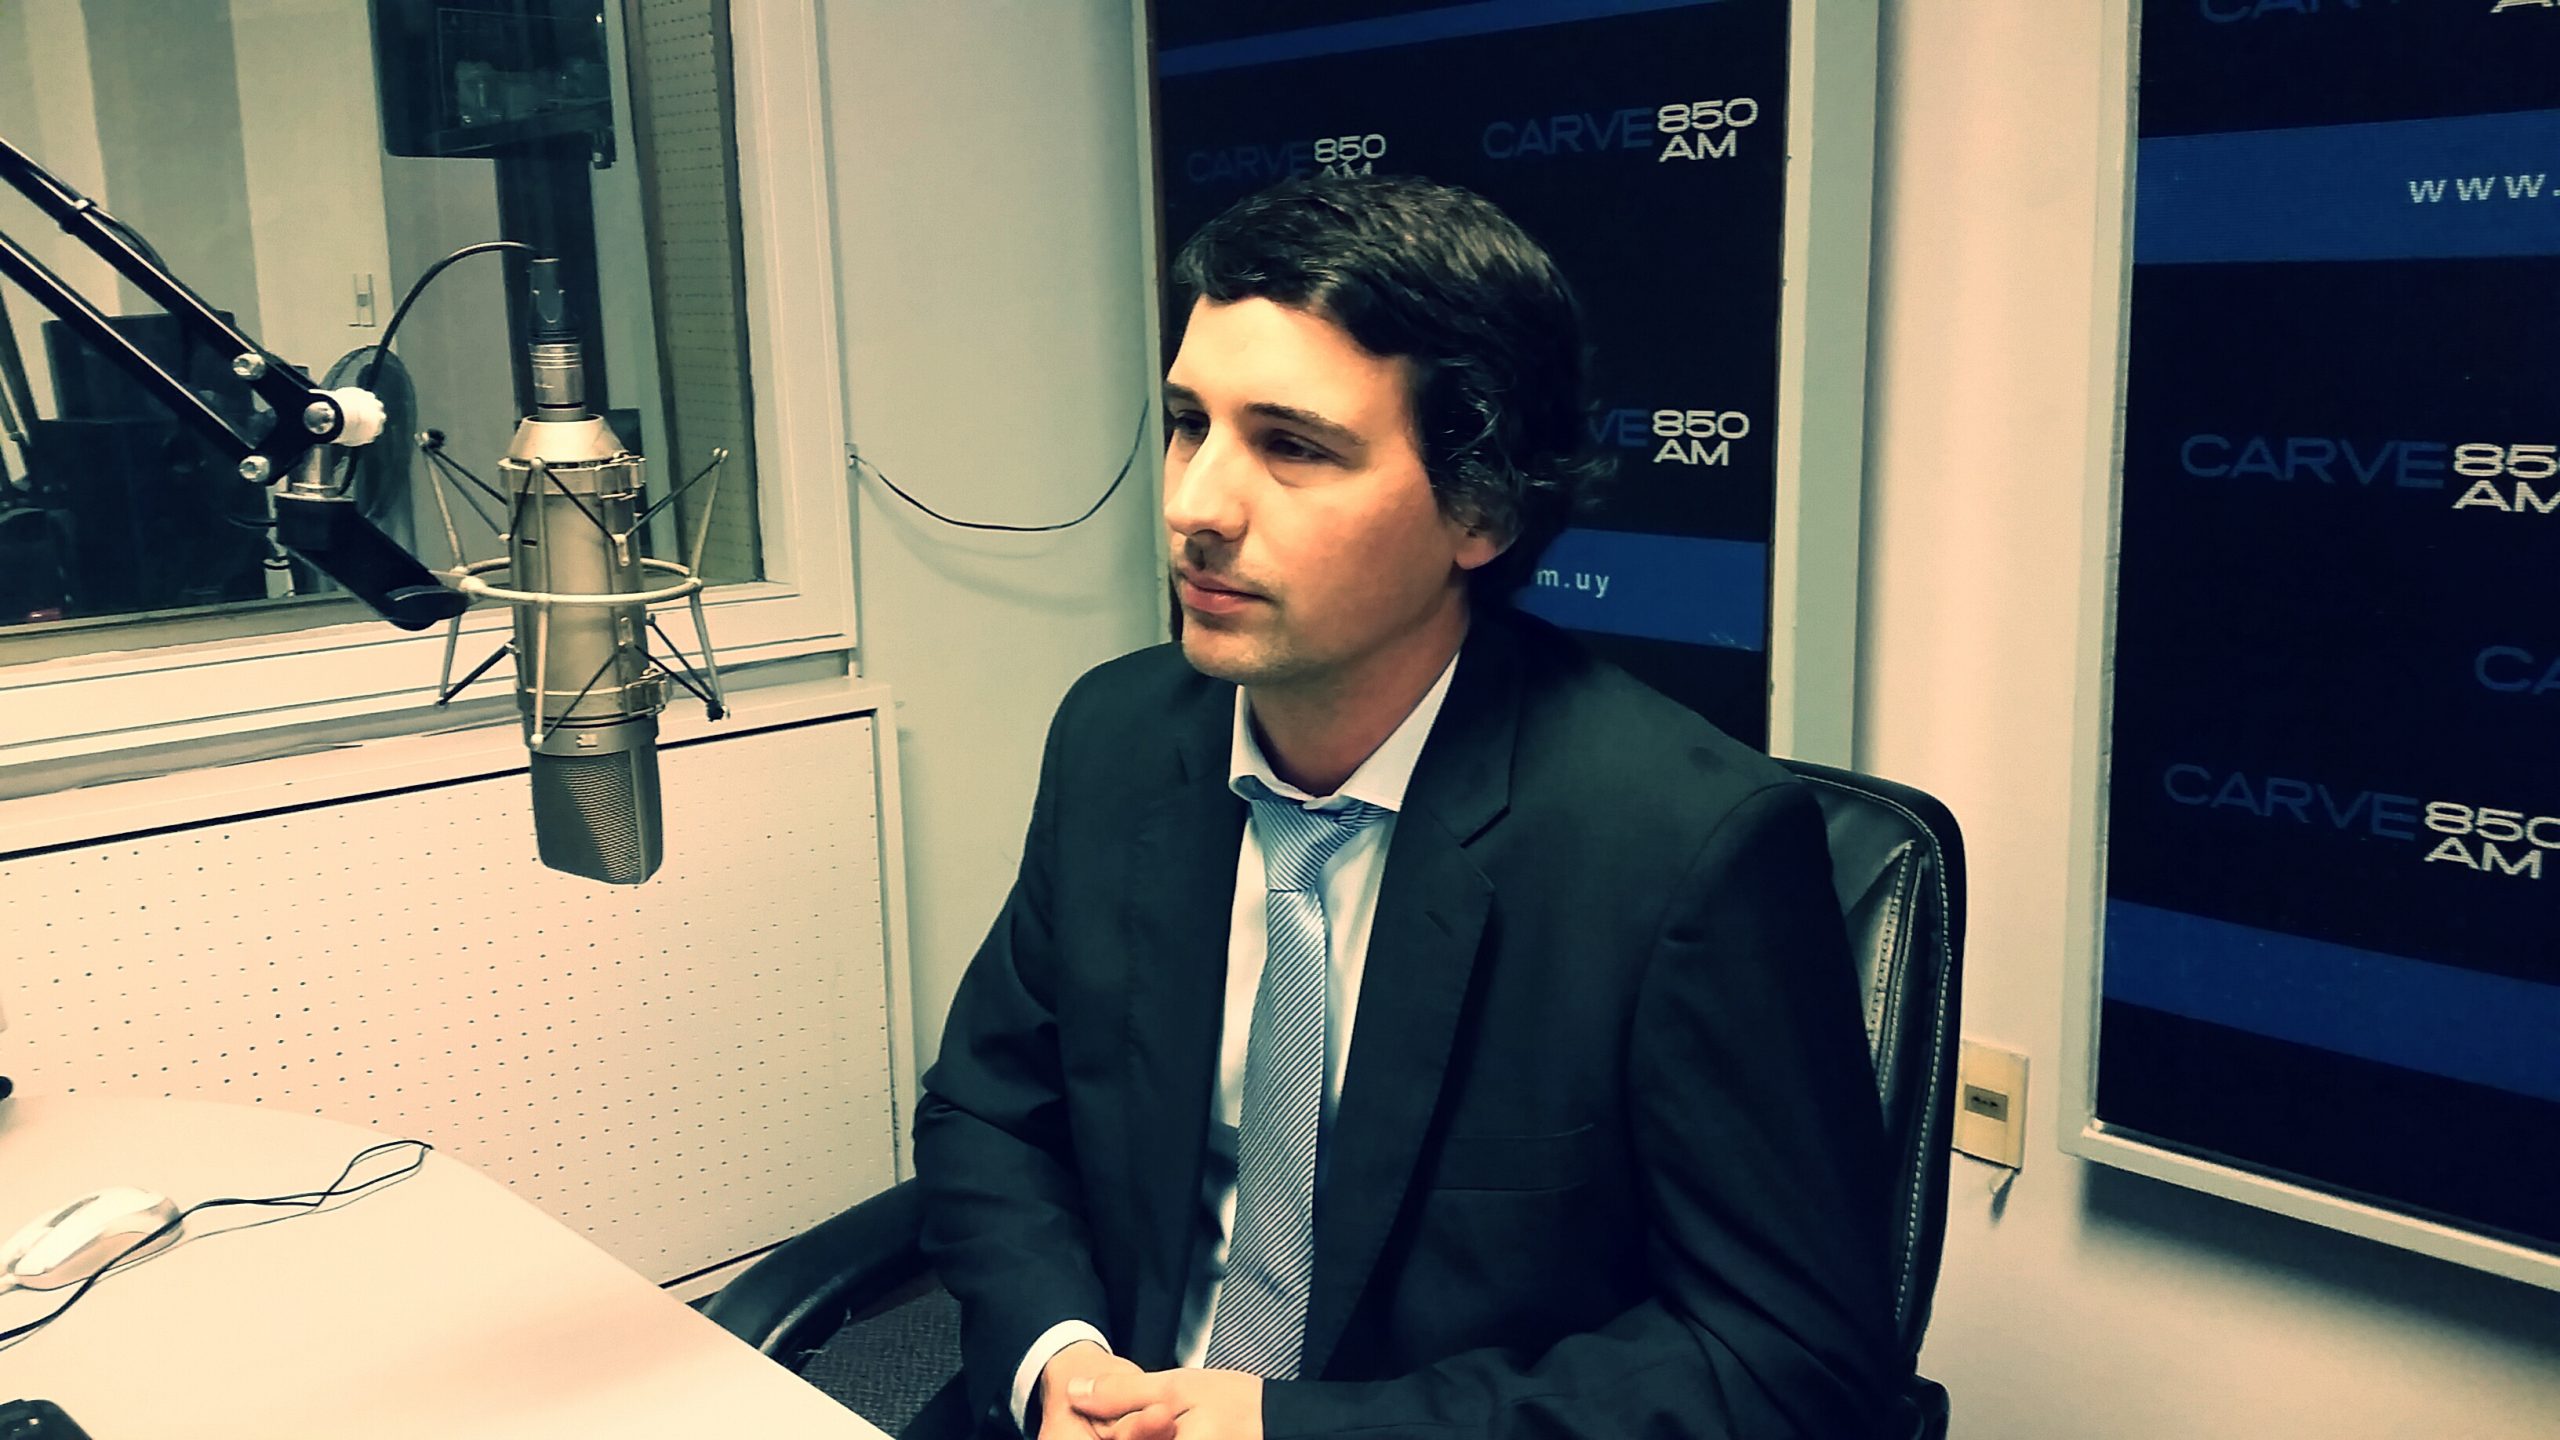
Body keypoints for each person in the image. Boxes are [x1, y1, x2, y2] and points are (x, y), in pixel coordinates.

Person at [912, 174, 1895, 1440]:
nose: (1195, 505)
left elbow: (1783, 1362)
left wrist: (1284, 1431)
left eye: (1292, 446)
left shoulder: (1680, 851)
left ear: (1480, 506)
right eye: (1189, 425)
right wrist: (1062, 1361)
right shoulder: (1116, 738)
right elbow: (990, 1110)